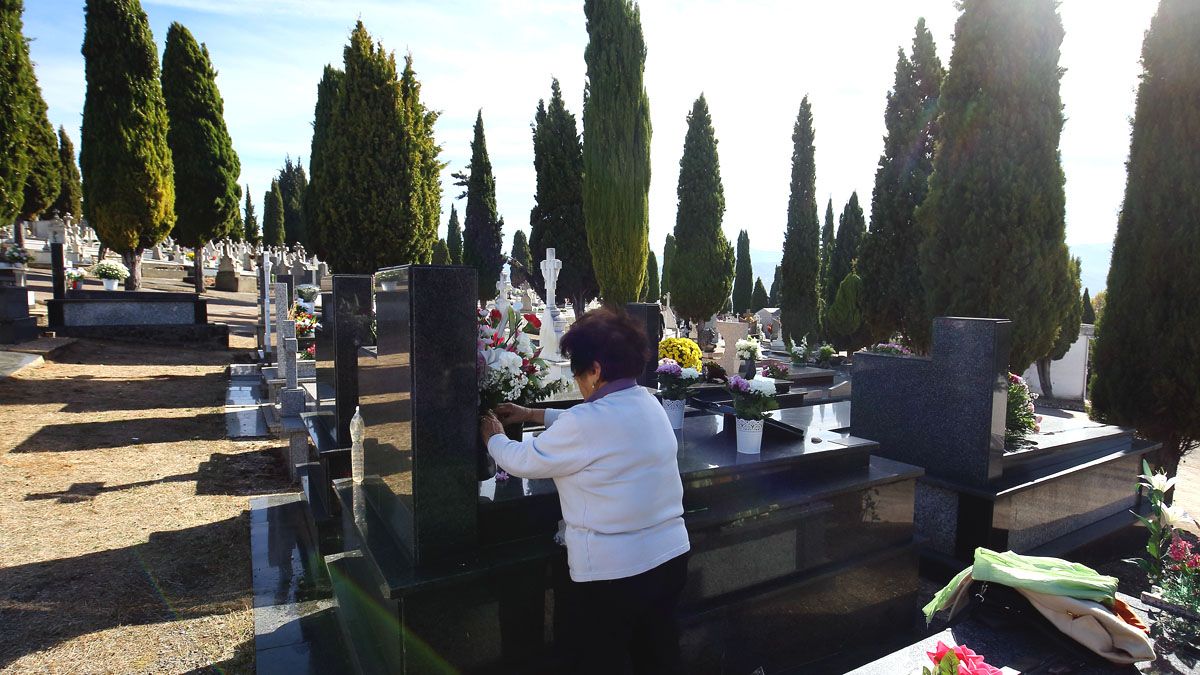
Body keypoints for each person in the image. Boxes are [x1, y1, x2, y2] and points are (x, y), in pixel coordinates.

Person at [480, 308, 690, 674]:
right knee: (658, 659)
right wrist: (532, 414)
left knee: (600, 662)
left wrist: (492, 434)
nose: (578, 381)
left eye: (577, 372)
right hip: (669, 560)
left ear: (594, 369)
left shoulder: (587, 423)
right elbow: (598, 429)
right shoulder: (648, 403)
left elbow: (522, 459)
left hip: (615, 576)